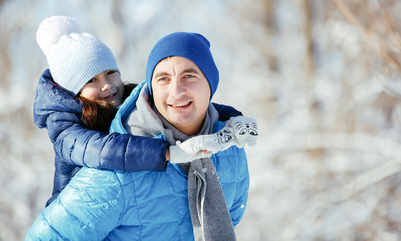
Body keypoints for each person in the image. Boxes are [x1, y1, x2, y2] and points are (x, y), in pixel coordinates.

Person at [26, 31, 257, 240]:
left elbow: (231, 218)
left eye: (189, 76)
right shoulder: (110, 169)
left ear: (210, 84)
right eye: (163, 78)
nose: (176, 91)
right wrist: (166, 152)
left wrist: (233, 121)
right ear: (152, 89)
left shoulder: (231, 151)